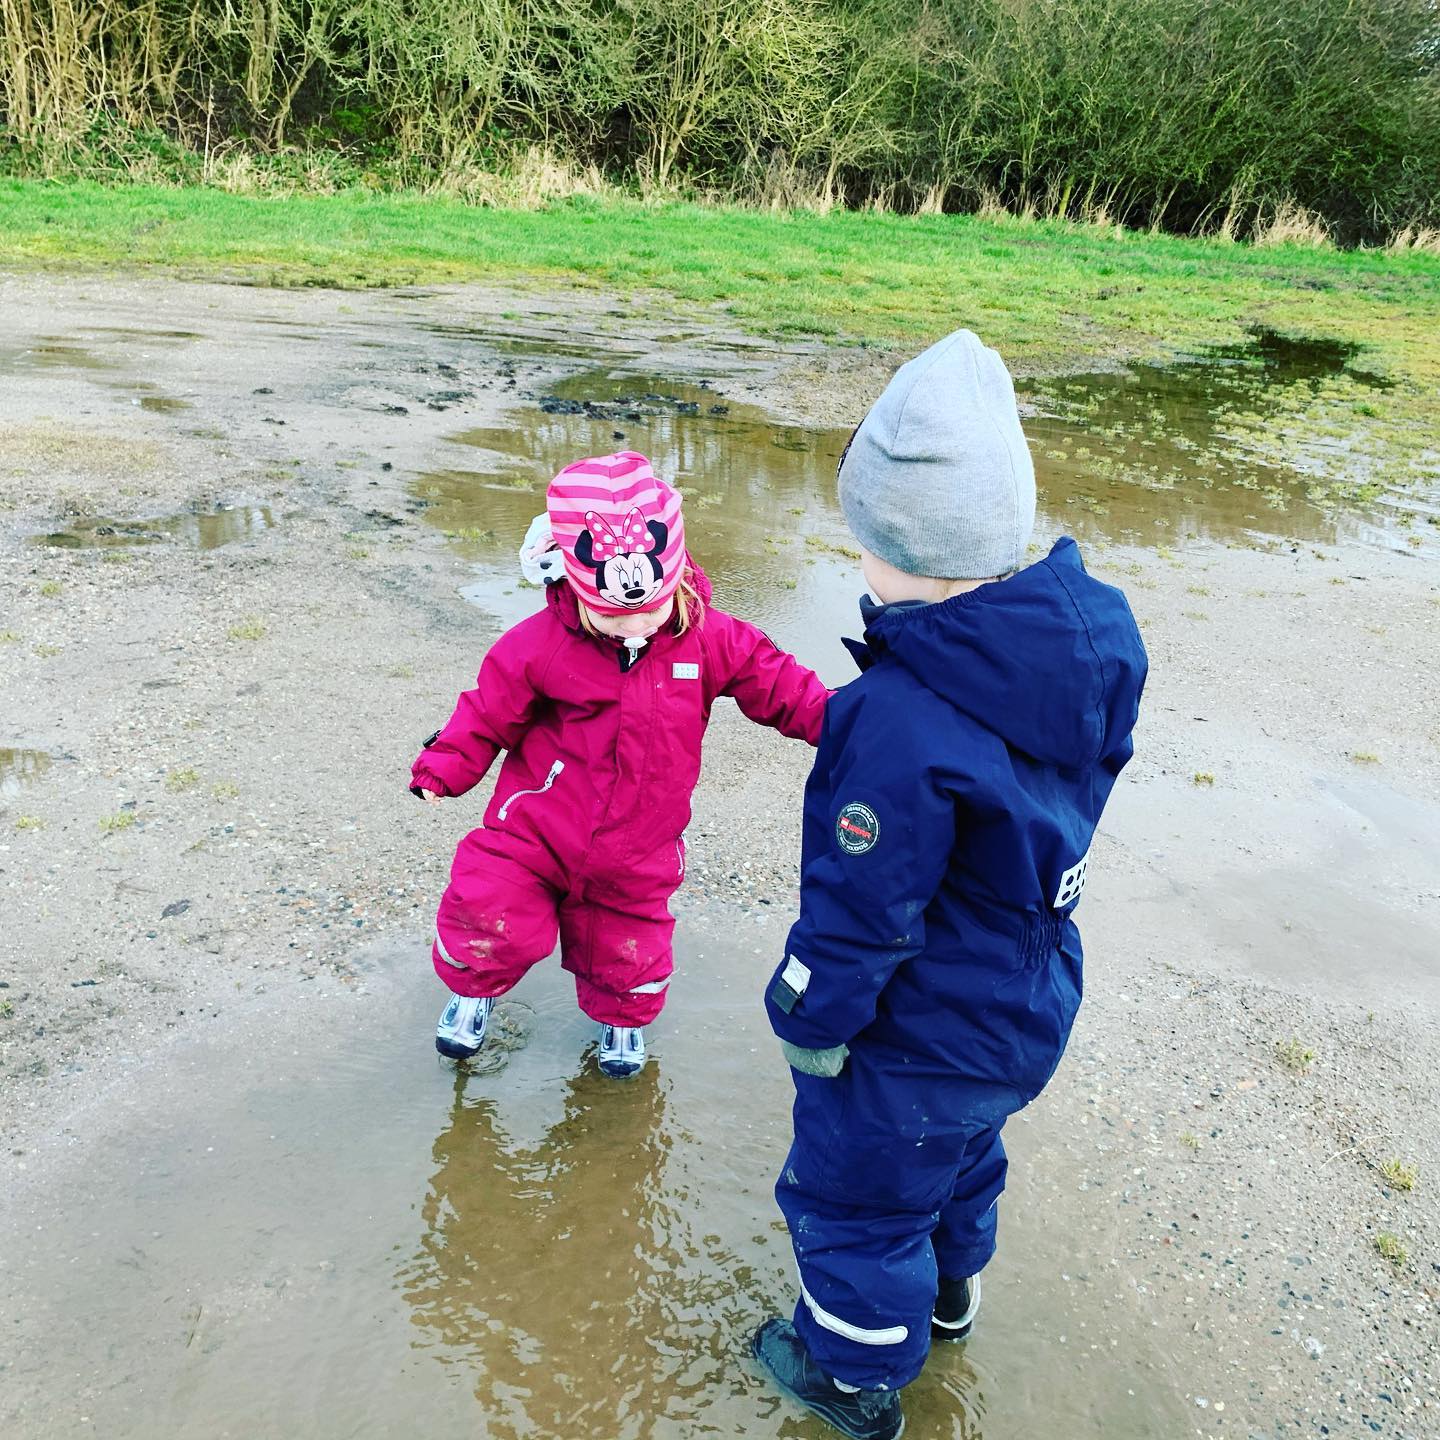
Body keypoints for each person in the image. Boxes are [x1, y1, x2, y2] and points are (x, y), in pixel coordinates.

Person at [751, 330, 1148, 1439]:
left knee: (855, 1196)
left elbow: (861, 910)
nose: (861, 567)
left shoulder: (898, 721)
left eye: (870, 545)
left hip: (920, 1029)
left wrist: (805, 1013)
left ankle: (853, 1378)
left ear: (908, 552)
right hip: (1027, 997)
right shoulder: (1079, 653)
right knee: (963, 1152)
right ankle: (953, 1295)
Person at [411, 451, 830, 1078]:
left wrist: (846, 726)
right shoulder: (541, 644)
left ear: (675, 575)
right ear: (575, 585)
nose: (632, 622)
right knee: (490, 913)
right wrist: (445, 764)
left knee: (629, 947)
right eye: (611, 611)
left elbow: (780, 684)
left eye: (648, 607)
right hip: (536, 827)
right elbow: (487, 709)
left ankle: (621, 1022)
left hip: (640, 842)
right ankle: (473, 993)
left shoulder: (709, 638)